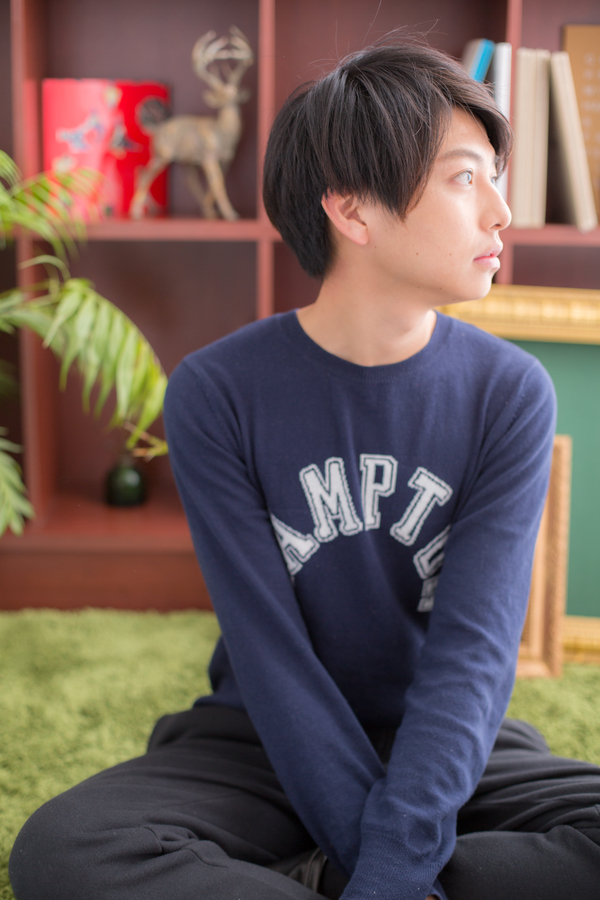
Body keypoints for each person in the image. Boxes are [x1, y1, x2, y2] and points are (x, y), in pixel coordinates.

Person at [9, 40, 600, 900]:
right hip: (260, 737)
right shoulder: (217, 393)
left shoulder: (510, 393)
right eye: (466, 178)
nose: (501, 211)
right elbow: (270, 658)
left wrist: (392, 865)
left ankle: (312, 878)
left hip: (442, 739)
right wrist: (393, 875)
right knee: (63, 850)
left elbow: (473, 656)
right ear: (352, 209)